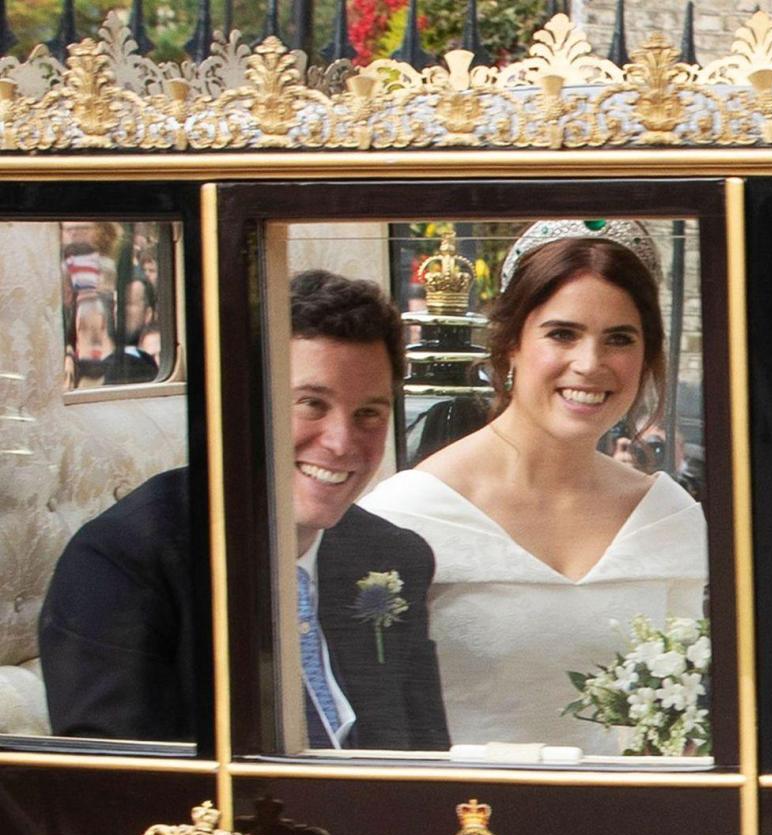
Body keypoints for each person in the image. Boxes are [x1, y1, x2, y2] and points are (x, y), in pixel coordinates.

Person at [39, 269, 450, 750]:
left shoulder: (394, 554)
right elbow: (116, 796)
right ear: (241, 402)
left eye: (369, 414)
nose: (343, 443)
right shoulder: (121, 564)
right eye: (312, 404)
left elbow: (428, 761)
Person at [362, 221, 707, 754]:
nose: (590, 365)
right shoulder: (407, 514)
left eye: (619, 338)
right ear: (511, 345)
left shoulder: (668, 516)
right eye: (562, 334)